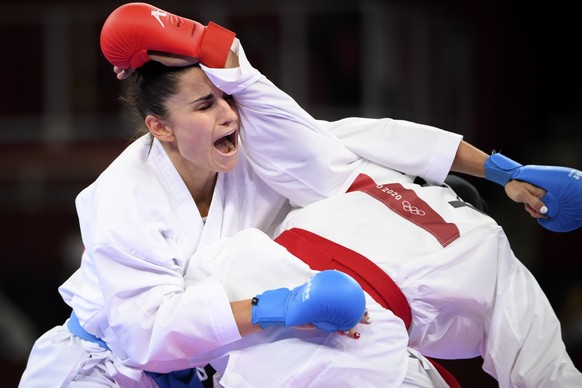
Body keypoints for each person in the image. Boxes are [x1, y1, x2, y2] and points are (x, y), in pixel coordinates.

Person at [19, 2, 581, 387]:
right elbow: (147, 336)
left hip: (221, 367)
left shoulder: (265, 156)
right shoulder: (121, 197)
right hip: (100, 369)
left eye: (228, 98)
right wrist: (273, 307)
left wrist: (504, 170)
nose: (226, 114)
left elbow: (367, 140)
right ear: (159, 127)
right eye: (205, 105)